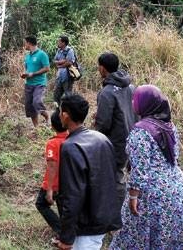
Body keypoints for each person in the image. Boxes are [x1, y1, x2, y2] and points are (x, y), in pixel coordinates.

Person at [110, 85, 183, 249]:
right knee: (173, 231)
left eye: (135, 99)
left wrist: (133, 197)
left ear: (144, 104)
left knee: (139, 234)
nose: (132, 102)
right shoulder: (169, 125)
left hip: (152, 192)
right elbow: (174, 156)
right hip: (176, 186)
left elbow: (140, 170)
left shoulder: (140, 132)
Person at [54, 93, 120, 249]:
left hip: (86, 225)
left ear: (65, 115)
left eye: (60, 112)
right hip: (103, 218)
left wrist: (67, 238)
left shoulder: (70, 147)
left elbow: (73, 195)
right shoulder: (101, 139)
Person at [94, 52, 138, 216]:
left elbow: (103, 124)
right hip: (133, 137)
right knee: (132, 176)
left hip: (116, 142)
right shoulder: (131, 87)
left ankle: (118, 217)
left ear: (102, 68)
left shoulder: (106, 92)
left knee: (117, 177)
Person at [35, 109, 68, 237]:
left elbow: (52, 166)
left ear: (53, 126)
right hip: (68, 184)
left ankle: (61, 231)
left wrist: (49, 189)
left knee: (41, 204)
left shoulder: (53, 143)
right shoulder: (72, 138)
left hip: (54, 184)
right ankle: (67, 233)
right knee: (63, 210)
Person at [21, 35, 50, 127]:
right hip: (29, 84)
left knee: (37, 102)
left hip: (39, 83)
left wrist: (33, 74)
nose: (24, 45)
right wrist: (25, 74)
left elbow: (47, 68)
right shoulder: (27, 56)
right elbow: (27, 69)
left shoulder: (42, 54)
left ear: (29, 43)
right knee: (29, 106)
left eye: (25, 43)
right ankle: (36, 127)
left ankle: (47, 118)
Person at [53, 36, 76, 106]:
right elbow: (54, 61)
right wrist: (63, 60)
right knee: (56, 95)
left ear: (63, 43)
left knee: (68, 95)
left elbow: (70, 62)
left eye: (59, 41)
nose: (58, 43)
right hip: (59, 76)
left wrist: (59, 65)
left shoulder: (70, 50)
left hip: (68, 76)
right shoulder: (59, 50)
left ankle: (70, 112)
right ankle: (58, 111)